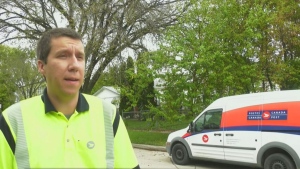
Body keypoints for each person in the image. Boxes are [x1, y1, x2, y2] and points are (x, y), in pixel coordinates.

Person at [0, 28, 140, 169]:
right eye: (63, 56)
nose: (74, 65)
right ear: (42, 66)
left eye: (79, 57)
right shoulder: (13, 120)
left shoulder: (108, 115)